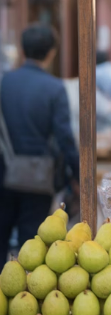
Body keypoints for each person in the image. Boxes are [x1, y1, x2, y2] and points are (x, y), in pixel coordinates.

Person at [0, 25, 80, 261]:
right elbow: (65, 138)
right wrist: (78, 174)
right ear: (52, 52)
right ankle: (23, 293)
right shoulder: (54, 88)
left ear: (23, 51)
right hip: (39, 177)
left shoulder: (4, 82)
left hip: (3, 172)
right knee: (31, 242)